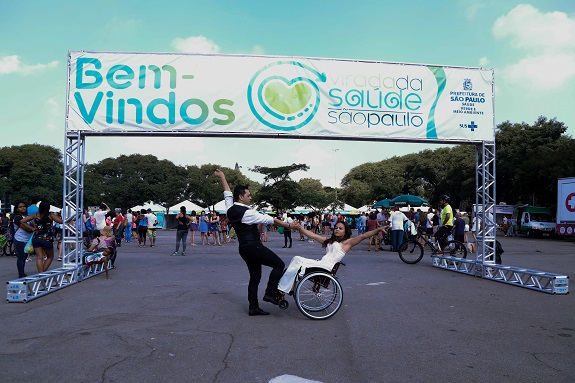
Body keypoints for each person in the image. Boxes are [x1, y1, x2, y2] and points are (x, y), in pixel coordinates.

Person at [214, 169, 292, 316]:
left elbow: (227, 193)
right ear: (241, 197)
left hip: (244, 249)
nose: (251, 198)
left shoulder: (230, 208)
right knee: (279, 264)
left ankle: (253, 307)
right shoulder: (248, 213)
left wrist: (223, 177)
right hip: (253, 246)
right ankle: (270, 293)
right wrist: (290, 226)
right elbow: (270, 220)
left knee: (255, 277)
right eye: (248, 195)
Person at [277, 221, 387, 294]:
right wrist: (300, 228)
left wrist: (377, 230)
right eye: (336, 228)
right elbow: (313, 235)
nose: (337, 229)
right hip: (320, 264)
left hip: (326, 267)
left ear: (345, 231)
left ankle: (285, 288)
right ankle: (288, 287)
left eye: (340, 228)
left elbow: (363, 236)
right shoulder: (329, 241)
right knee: (296, 259)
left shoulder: (347, 243)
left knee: (297, 260)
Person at [21, 201, 63, 273]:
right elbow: (61, 221)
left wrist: (31, 228)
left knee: (39, 257)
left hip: (36, 238)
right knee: (50, 257)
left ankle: (40, 273)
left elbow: (22, 221)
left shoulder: (35, 215)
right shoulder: (50, 215)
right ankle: (42, 272)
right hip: (47, 239)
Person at [11, 202, 35, 278]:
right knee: (21, 257)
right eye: (21, 207)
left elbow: (33, 225)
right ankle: (21, 274)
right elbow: (25, 228)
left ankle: (22, 272)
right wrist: (33, 229)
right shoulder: (17, 218)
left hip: (28, 239)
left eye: (24, 206)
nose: (23, 208)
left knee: (24, 257)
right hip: (19, 239)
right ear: (17, 209)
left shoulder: (27, 216)